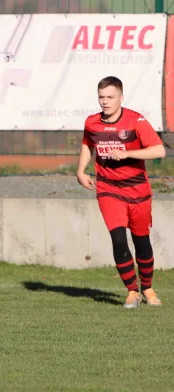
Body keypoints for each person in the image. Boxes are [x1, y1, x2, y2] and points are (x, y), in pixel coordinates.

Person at [77, 76, 165, 309]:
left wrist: (127, 154)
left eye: (110, 97)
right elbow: (88, 143)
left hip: (138, 191)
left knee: (141, 241)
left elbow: (159, 150)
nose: (105, 102)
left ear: (121, 98)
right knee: (117, 238)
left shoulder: (136, 121)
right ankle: (132, 292)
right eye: (101, 97)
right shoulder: (92, 122)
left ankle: (147, 287)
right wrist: (80, 170)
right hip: (108, 189)